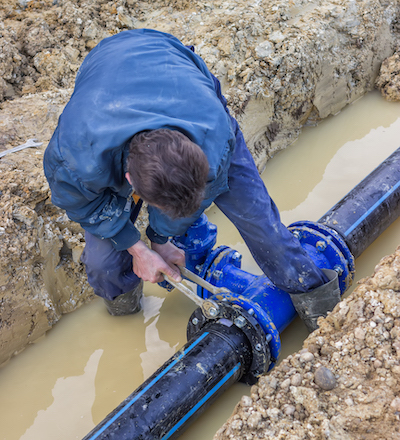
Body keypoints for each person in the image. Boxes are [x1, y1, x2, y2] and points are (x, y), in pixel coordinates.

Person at [44, 29, 340, 331]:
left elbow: (204, 191)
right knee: (103, 264)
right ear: (129, 180)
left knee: (264, 227)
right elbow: (86, 208)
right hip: (110, 63)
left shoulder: (213, 136)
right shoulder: (74, 160)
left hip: (167, 63)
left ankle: (322, 316)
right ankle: (125, 312)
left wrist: (159, 240)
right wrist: (138, 250)